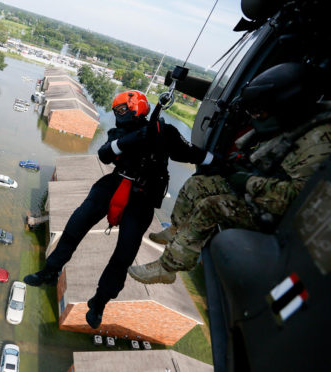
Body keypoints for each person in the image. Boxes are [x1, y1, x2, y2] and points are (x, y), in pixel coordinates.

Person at [23, 90, 214, 329]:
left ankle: (99, 302)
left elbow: (193, 154)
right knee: (75, 225)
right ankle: (50, 272)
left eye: (122, 110)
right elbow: (104, 154)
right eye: (116, 111)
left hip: (142, 198)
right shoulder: (120, 133)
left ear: (137, 108)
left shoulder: (165, 133)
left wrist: (221, 163)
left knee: (124, 254)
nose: (118, 115)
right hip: (115, 184)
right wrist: (133, 139)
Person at [128, 62, 331, 285]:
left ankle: (167, 268)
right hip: (259, 192)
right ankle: (176, 231)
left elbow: (296, 201)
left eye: (260, 112)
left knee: (212, 206)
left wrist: (247, 182)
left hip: (278, 216)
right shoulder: (294, 124)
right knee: (198, 184)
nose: (256, 117)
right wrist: (237, 169)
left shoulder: (318, 144)